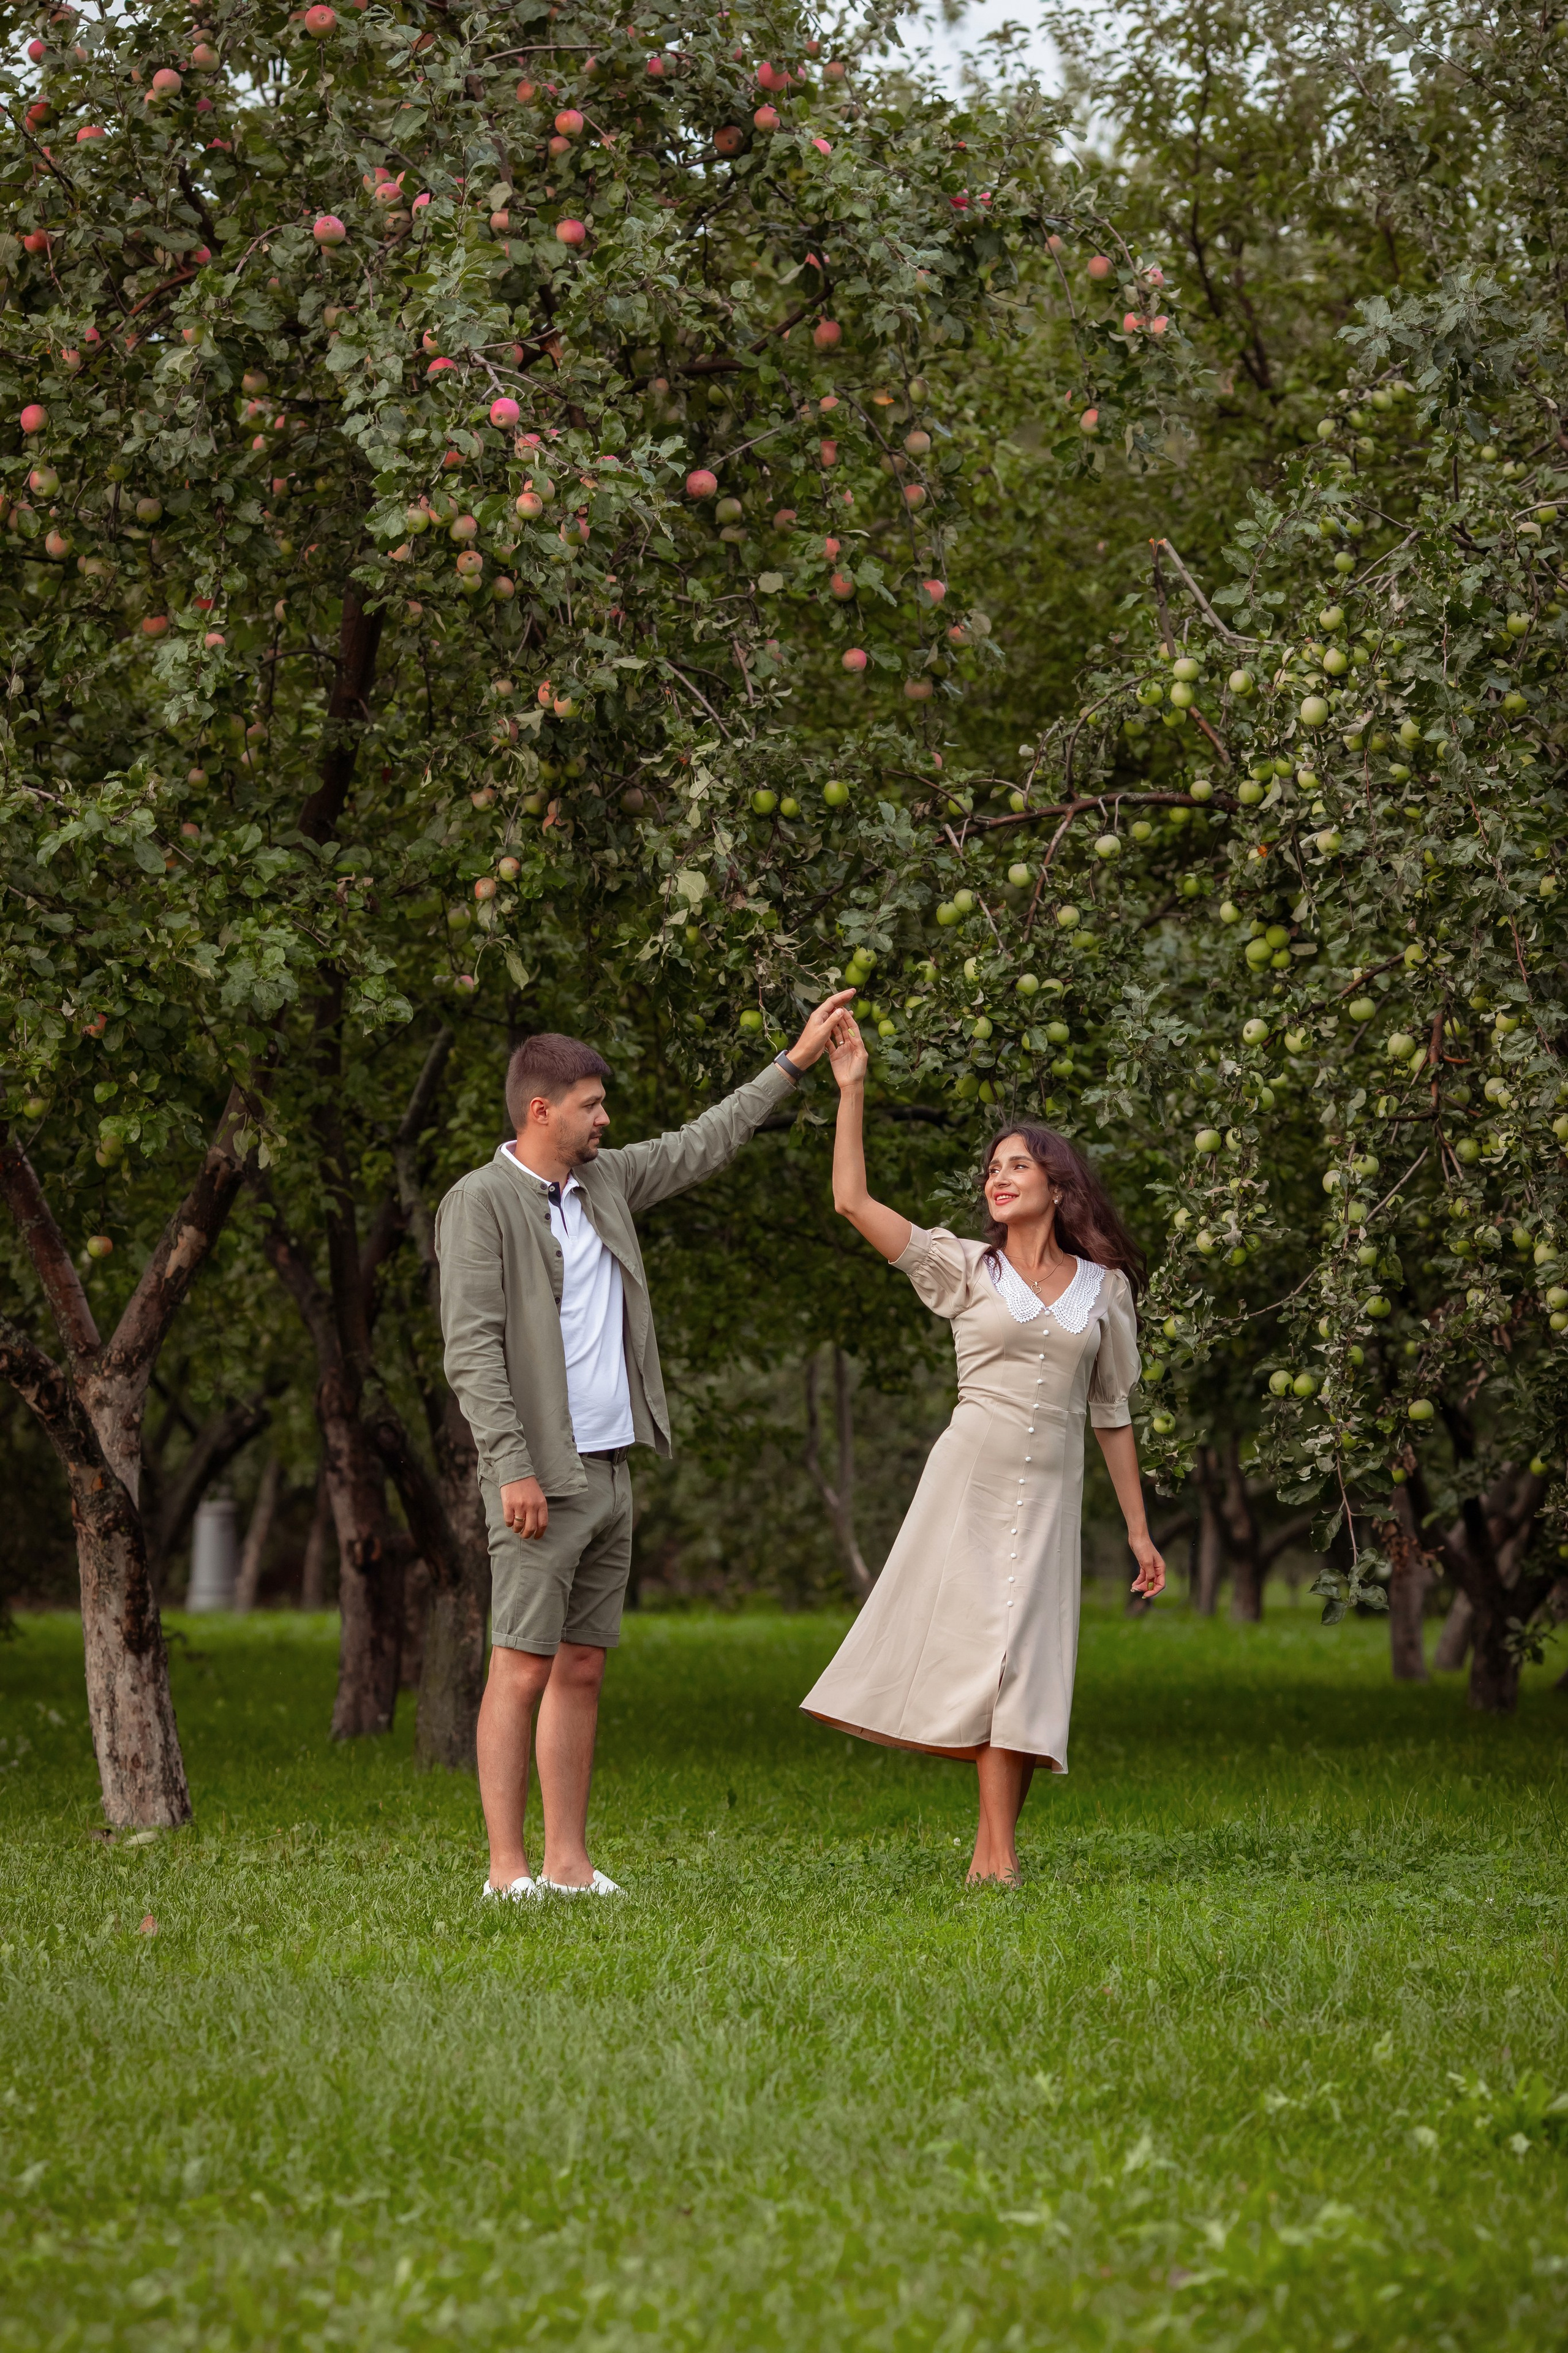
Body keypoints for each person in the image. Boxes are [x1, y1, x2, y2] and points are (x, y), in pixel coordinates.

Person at [436, 993, 852, 1902]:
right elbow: (470, 1350)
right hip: (538, 1476)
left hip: (612, 1465)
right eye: (591, 1104)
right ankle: (507, 1871)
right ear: (541, 1110)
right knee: (520, 1665)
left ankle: (568, 1863)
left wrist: (794, 1062)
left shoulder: (608, 1182)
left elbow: (707, 1140)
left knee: (581, 1666)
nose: (605, 1118)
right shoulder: (479, 1202)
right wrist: (512, 1465)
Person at [801, 1009, 1166, 1886]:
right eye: (992, 1169)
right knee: (986, 1654)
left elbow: (1112, 1410)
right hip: (969, 1483)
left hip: (1051, 1497)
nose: (999, 1178)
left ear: (1058, 1185)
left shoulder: (1106, 1290)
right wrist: (852, 1090)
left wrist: (1139, 1531)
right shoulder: (964, 1266)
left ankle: (990, 1856)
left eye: (1017, 1165)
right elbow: (852, 1202)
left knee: (1025, 1664)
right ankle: (995, 1859)